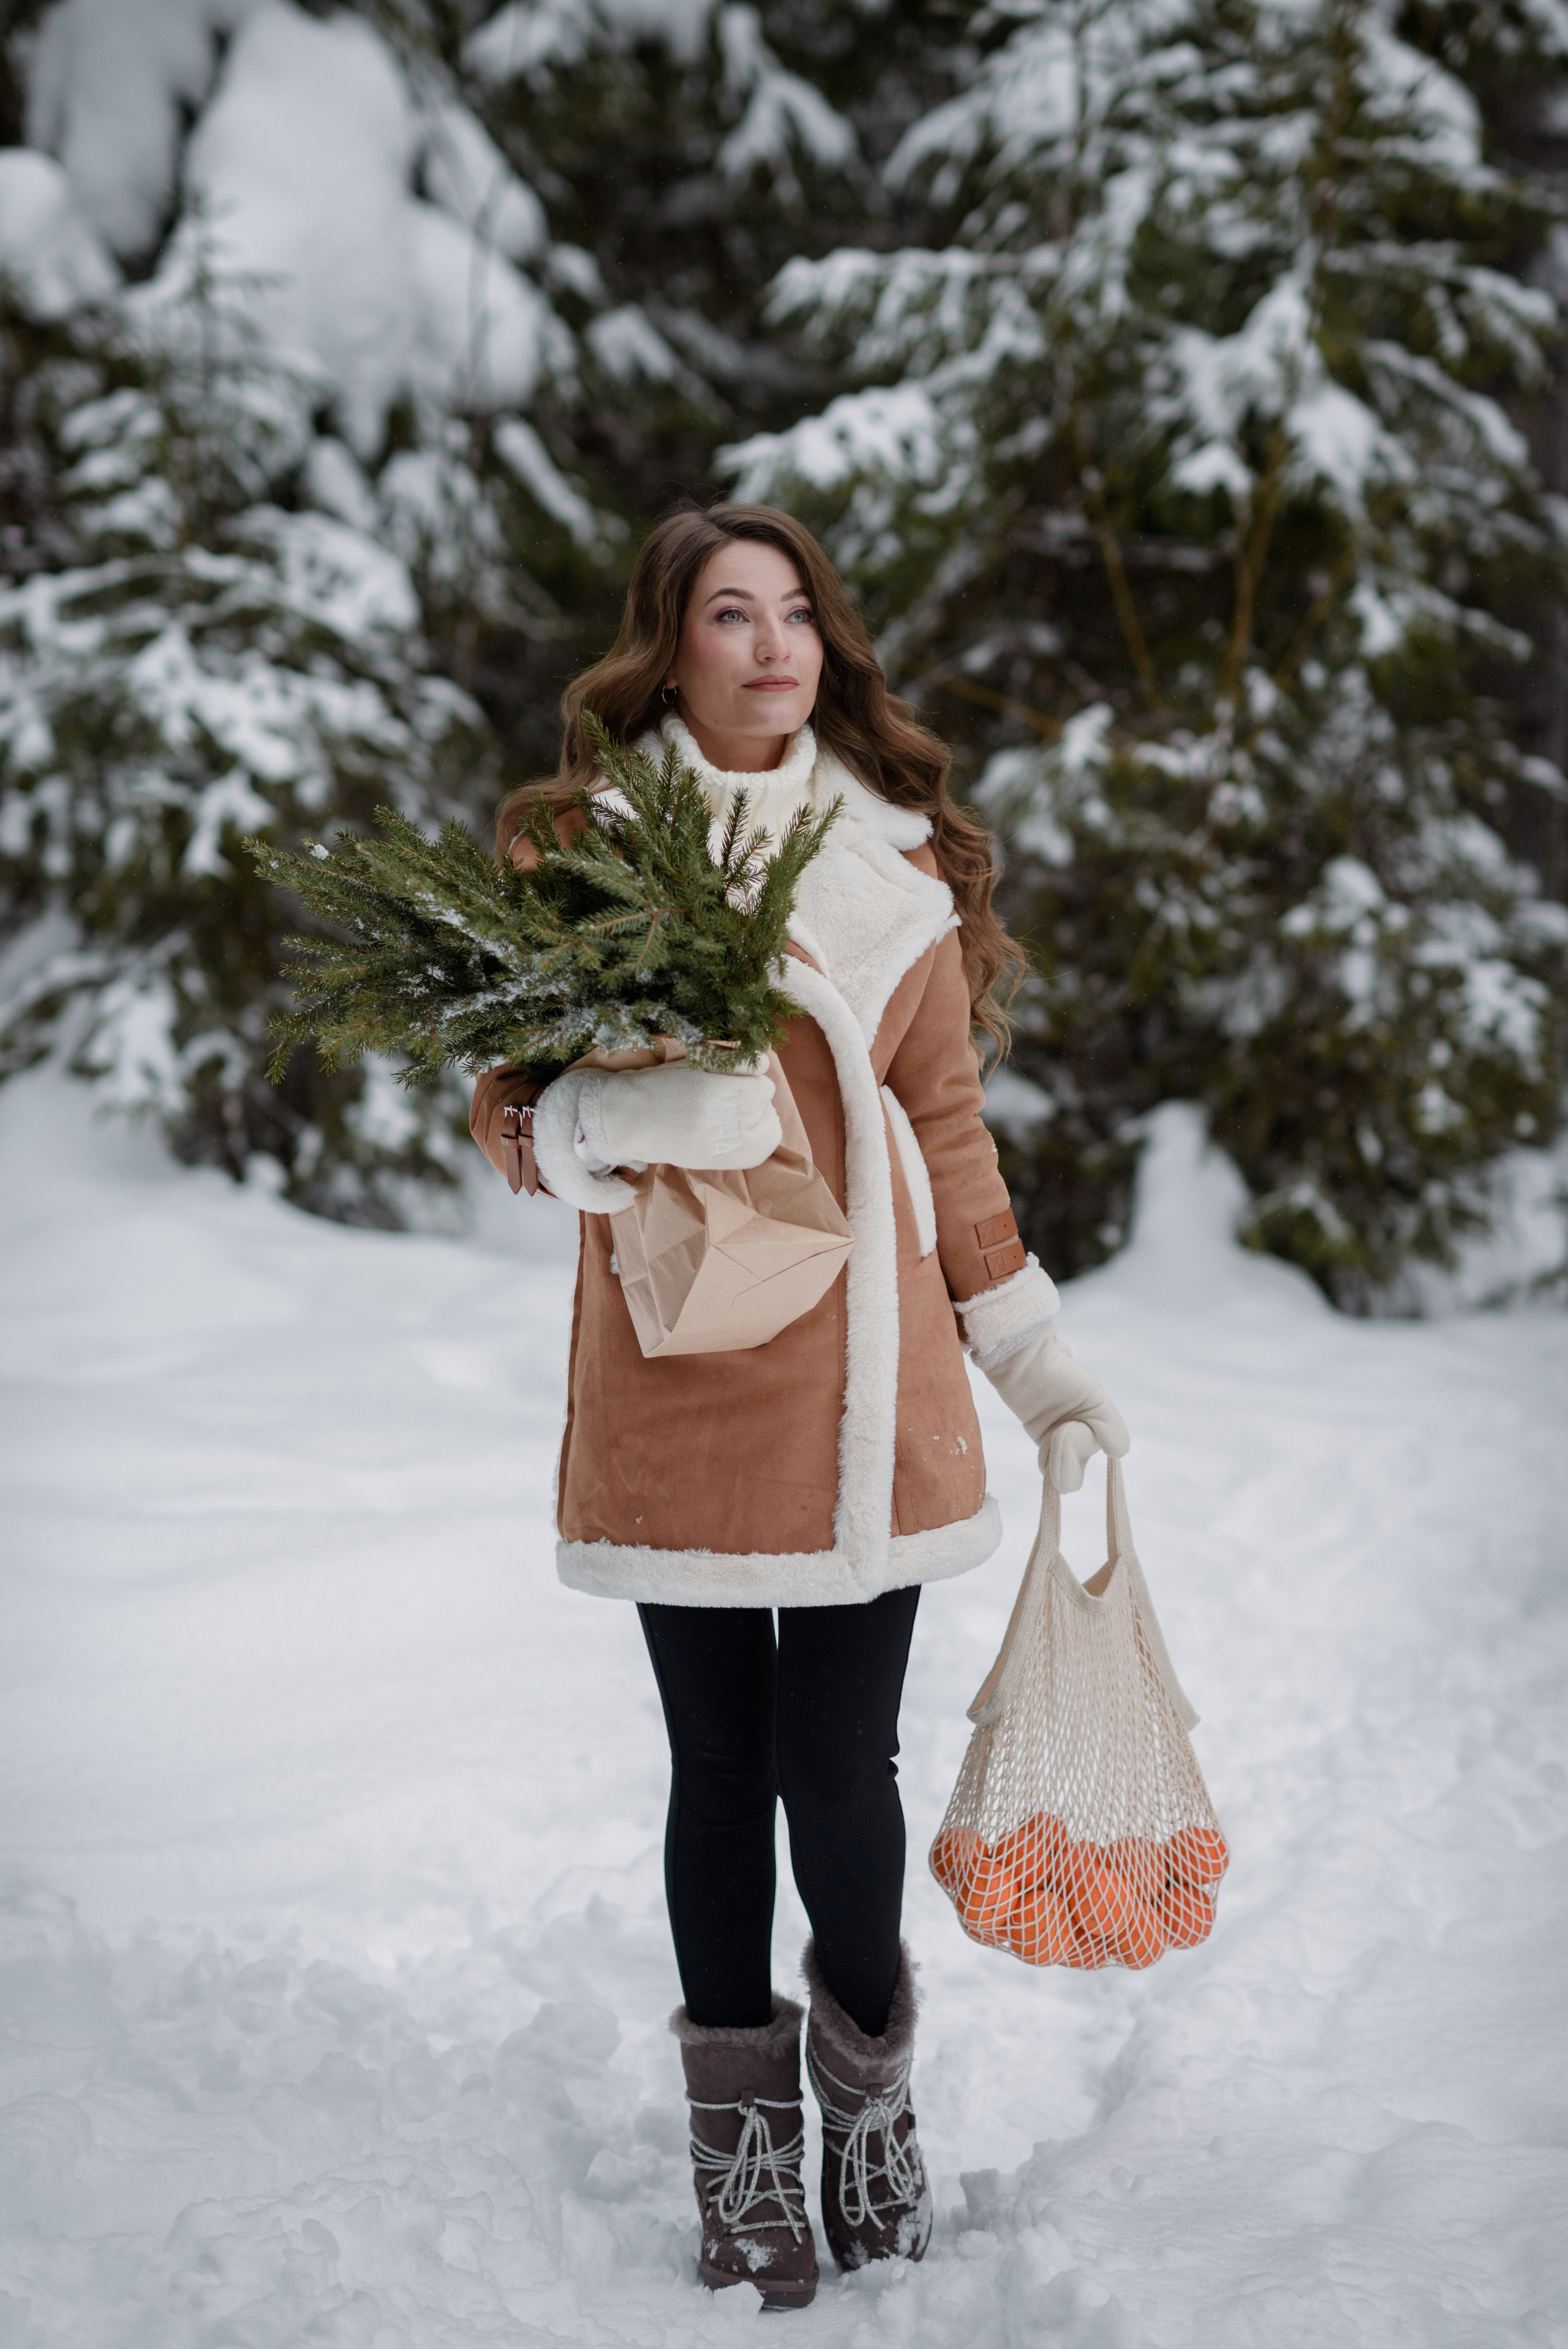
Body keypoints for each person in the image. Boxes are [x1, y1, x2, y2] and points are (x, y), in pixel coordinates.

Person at [470, 503, 1129, 2310]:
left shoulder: (898, 866)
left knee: (844, 1770)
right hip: (685, 1372)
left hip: (877, 1379)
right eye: (728, 617)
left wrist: (1035, 1359)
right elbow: (509, 1102)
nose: (773, 648)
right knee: (718, 1764)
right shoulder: (590, 850)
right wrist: (596, 1128)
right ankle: (745, 2155)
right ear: (667, 648)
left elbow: (947, 1132)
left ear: (830, 647)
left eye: (797, 618)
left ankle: (867, 2099)